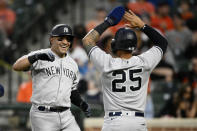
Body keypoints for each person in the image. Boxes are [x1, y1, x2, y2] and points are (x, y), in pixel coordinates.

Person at [82, 6, 168, 131]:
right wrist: (142, 25)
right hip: (138, 122)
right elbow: (162, 43)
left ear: (114, 45)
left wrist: (108, 22)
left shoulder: (107, 63)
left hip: (114, 122)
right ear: (134, 45)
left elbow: (87, 40)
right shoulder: (144, 62)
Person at [12, 24, 90, 131]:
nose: (65, 42)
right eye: (61, 38)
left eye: (68, 39)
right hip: (43, 114)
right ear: (51, 39)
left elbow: (71, 90)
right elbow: (16, 66)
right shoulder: (40, 54)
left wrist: (81, 103)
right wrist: (36, 57)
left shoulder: (73, 64)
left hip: (65, 114)